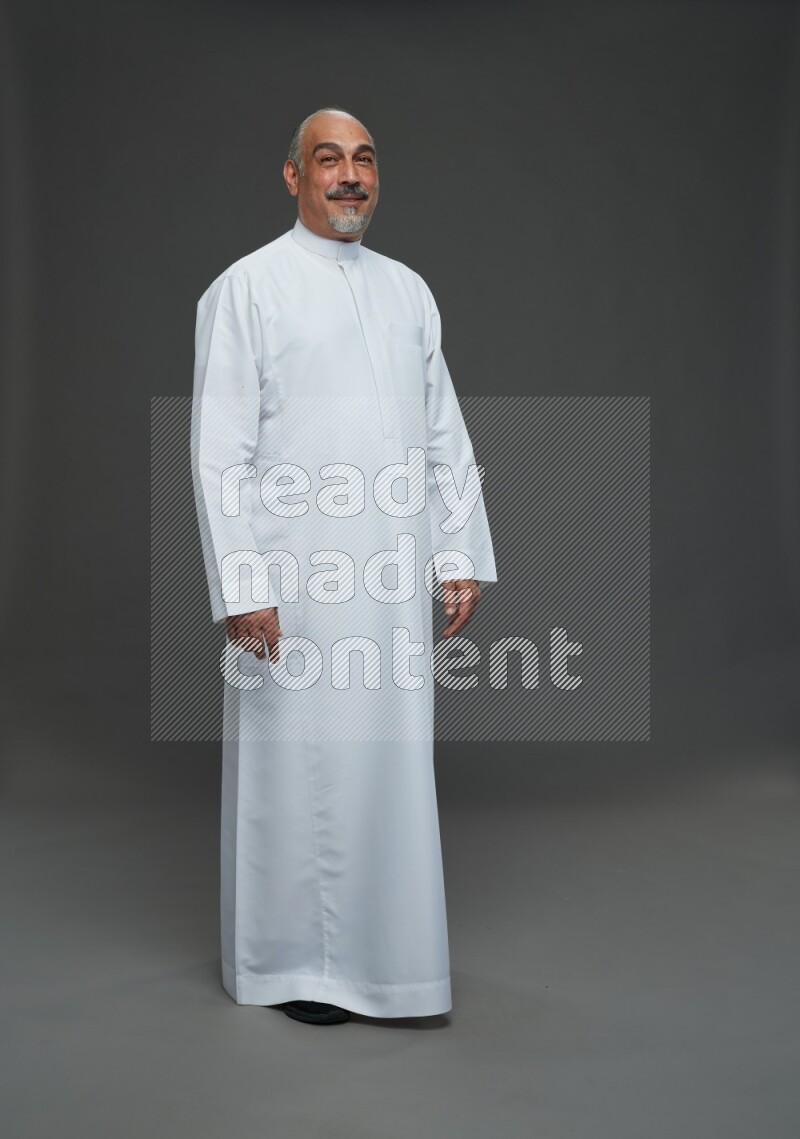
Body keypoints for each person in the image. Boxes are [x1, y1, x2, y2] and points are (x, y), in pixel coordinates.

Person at [190, 107, 498, 1026]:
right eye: (329, 159)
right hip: (296, 588)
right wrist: (244, 586)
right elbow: (218, 452)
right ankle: (295, 963)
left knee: (388, 770)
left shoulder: (409, 291)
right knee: (295, 772)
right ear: (294, 177)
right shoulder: (246, 289)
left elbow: (442, 431)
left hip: (389, 581)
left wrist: (458, 551)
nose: (350, 175)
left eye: (364, 159)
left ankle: (389, 962)